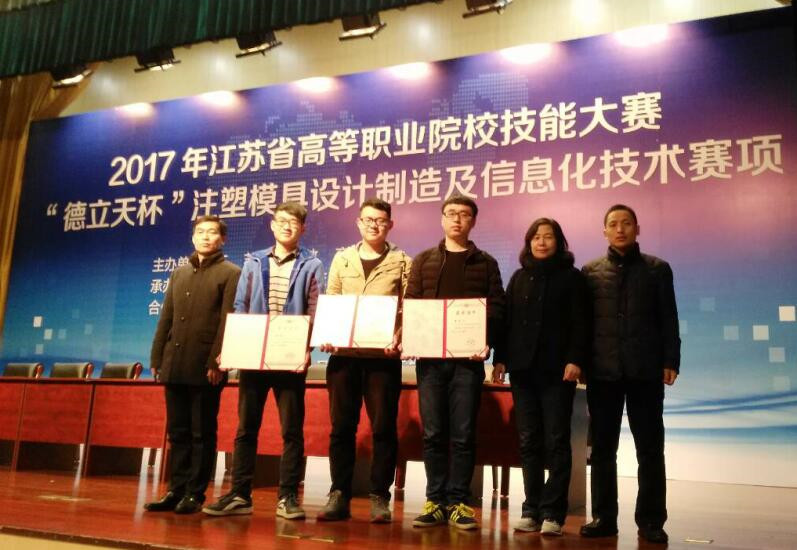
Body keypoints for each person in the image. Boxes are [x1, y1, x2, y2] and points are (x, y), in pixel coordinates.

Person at [202, 202, 324, 520]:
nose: (286, 226)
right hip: (253, 353)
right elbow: (241, 305)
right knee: (246, 428)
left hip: (289, 354)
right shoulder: (254, 261)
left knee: (292, 431)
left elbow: (315, 309)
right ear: (272, 225)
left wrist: (306, 347)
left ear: (302, 229)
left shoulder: (311, 264)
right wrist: (234, 345)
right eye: (281, 221)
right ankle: (240, 494)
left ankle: (288, 497)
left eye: (293, 222)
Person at [579, 204, 680, 544]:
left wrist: (671, 360)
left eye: (626, 223)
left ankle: (651, 520)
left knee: (649, 449)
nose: (620, 229)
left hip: (645, 371)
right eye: (613, 224)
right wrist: (582, 363)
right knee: (602, 450)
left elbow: (669, 319)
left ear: (638, 229)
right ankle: (603, 517)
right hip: (603, 372)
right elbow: (583, 325)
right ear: (604, 231)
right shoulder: (590, 271)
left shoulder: (657, 269)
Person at [405, 195, 505, 530]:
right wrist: (411, 338)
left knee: (463, 434)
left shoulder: (486, 263)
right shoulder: (424, 260)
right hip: (430, 362)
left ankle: (459, 502)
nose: (457, 220)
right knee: (433, 433)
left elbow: (497, 307)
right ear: (442, 219)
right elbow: (412, 304)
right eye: (451, 214)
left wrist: (486, 340)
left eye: (464, 214)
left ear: (473, 221)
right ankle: (435, 500)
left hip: (468, 363)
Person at [316, 197, 412, 523]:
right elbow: (331, 300)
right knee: (342, 428)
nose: (374, 225)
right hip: (343, 357)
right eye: (368, 219)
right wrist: (327, 333)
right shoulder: (342, 258)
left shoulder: (402, 261)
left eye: (380, 220)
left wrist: (400, 335)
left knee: (383, 428)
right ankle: (338, 494)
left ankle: (379, 496)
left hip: (382, 358)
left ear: (390, 225)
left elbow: (408, 307)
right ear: (359, 223)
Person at [492, 218, 589, 536]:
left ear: (559, 242)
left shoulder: (572, 278)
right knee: (528, 440)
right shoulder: (519, 277)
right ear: (529, 242)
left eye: (548, 237)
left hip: (558, 371)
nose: (542, 242)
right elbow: (506, 323)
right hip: (523, 370)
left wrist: (576, 359)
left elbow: (581, 323)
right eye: (536, 237)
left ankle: (553, 513)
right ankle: (530, 509)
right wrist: (500, 358)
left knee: (557, 441)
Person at [145, 215, 241, 514]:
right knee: (177, 431)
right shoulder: (179, 273)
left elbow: (228, 321)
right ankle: (175, 489)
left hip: (205, 366)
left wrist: (217, 361)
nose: (205, 237)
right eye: (200, 232)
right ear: (193, 237)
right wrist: (157, 356)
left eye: (212, 232)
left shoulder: (231, 273)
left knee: (202, 432)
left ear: (222, 239)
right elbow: (166, 317)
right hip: (175, 362)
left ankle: (195, 493)